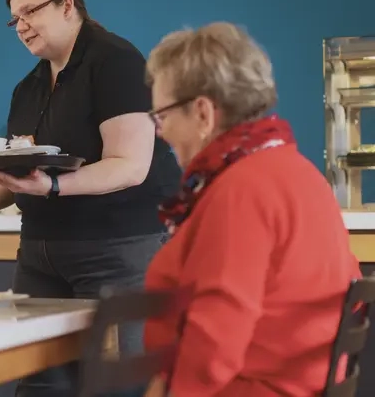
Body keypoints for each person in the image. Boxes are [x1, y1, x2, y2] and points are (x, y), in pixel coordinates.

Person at [0, 0, 181, 397]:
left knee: (116, 386)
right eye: (13, 19)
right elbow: (24, 172)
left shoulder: (116, 62)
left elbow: (130, 165)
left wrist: (53, 187)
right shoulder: (29, 87)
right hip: (40, 256)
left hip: (116, 250)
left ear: (67, 5)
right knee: (39, 386)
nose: (20, 27)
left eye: (30, 12)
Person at [142, 22, 361, 396]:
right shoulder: (298, 171)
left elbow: (214, 341)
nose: (159, 131)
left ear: (202, 114)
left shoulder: (239, 191)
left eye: (161, 116)